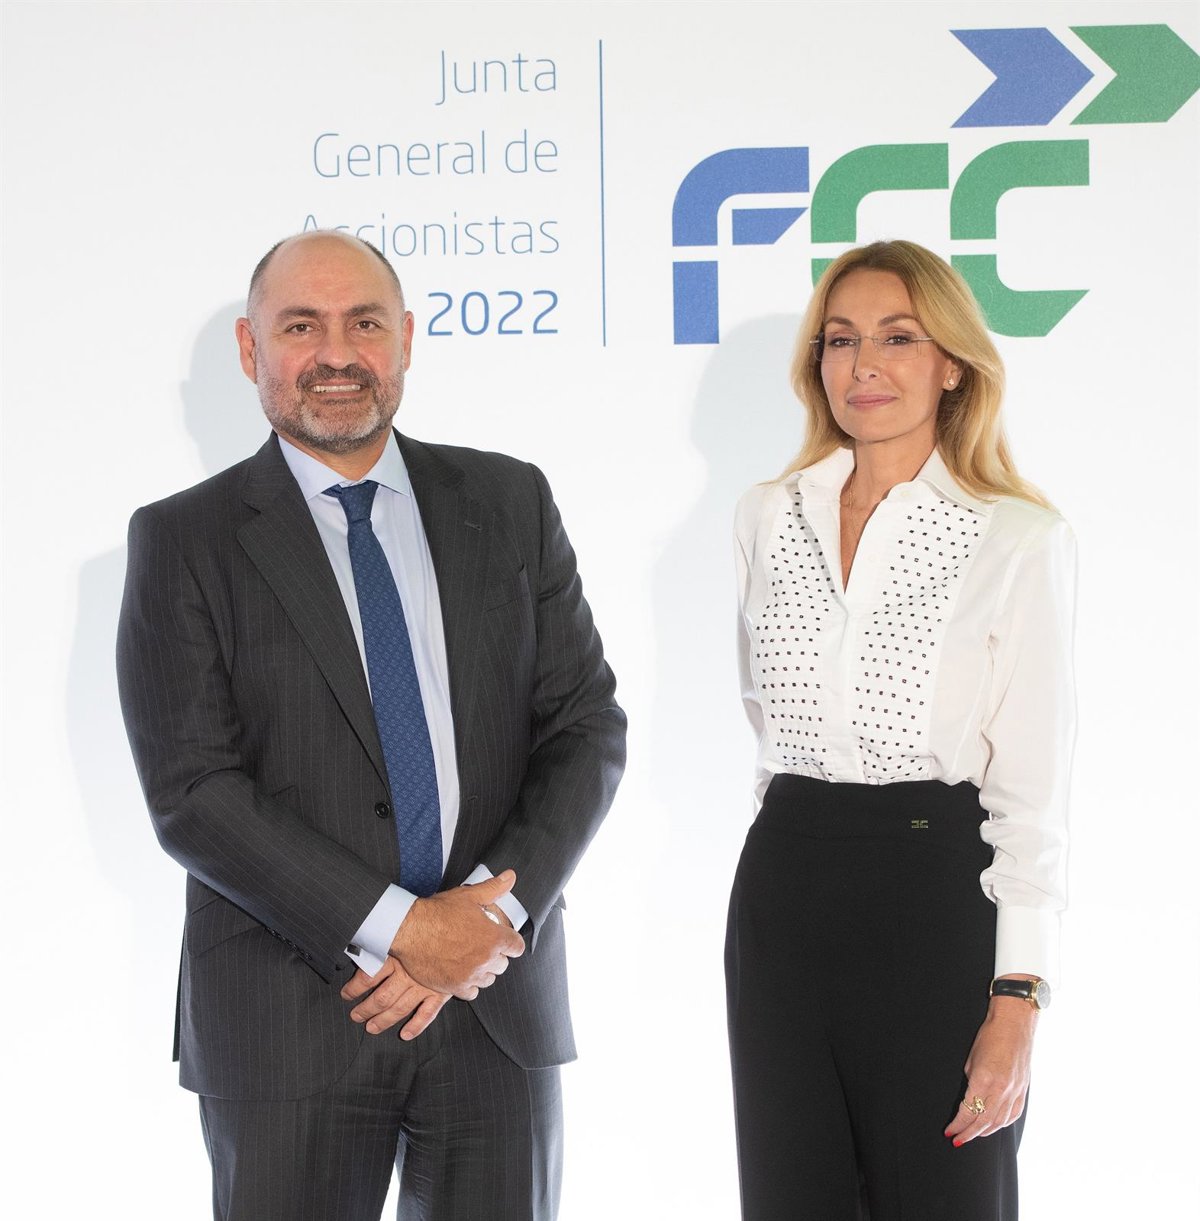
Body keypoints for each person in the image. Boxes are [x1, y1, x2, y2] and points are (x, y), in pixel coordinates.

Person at [116, 230, 626, 1221]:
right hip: (288, 1020)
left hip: (493, 1011)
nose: (337, 354)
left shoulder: (509, 500)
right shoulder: (183, 539)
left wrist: (483, 924)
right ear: (250, 349)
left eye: (365, 324)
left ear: (405, 341)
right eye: (301, 327)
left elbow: (585, 728)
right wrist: (405, 930)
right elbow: (193, 792)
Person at [725, 240, 1075, 1220]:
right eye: (841, 340)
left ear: (951, 363)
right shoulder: (766, 516)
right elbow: (760, 713)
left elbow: (1032, 794)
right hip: (785, 890)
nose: (864, 365)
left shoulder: (1016, 537)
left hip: (936, 901)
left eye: (897, 338)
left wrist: (1019, 994)